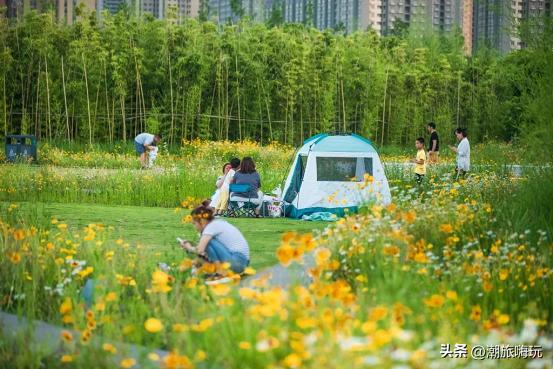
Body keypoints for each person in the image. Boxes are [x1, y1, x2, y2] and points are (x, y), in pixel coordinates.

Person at [179, 202, 250, 274]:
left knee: (208, 242)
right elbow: (208, 251)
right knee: (207, 245)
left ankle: (219, 272)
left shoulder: (211, 227)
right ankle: (207, 268)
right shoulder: (217, 223)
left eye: (194, 223)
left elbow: (200, 250)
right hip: (241, 263)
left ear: (201, 221)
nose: (194, 227)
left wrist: (188, 246)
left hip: (237, 262)